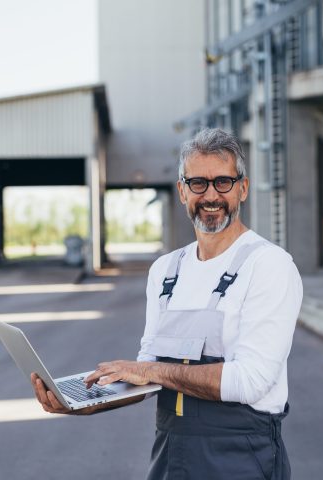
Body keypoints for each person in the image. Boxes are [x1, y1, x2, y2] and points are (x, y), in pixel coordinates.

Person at [32, 128, 303, 480]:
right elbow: (147, 368)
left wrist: (150, 371)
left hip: (241, 455)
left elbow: (249, 382)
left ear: (243, 188)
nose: (210, 195)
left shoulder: (269, 265)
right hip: (171, 452)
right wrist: (88, 403)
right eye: (197, 183)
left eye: (223, 182)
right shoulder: (166, 270)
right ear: (181, 190)